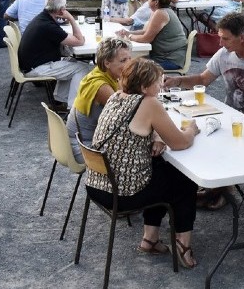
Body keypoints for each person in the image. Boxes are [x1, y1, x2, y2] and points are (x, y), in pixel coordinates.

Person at [83, 57, 201, 266]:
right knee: (185, 181)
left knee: (160, 169)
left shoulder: (116, 97)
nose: (161, 86)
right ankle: (183, 246)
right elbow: (180, 143)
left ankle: (150, 240)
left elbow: (137, 126)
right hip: (122, 195)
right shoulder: (149, 103)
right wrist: (191, 130)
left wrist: (156, 136)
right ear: (145, 87)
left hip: (96, 185)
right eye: (158, 83)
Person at [164, 12, 244, 209]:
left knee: (218, 143)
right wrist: (178, 80)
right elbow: (203, 79)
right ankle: (215, 189)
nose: (220, 43)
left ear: (242, 37)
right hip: (229, 116)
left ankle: (221, 191)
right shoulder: (224, 54)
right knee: (196, 133)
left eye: (225, 38)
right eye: (220, 37)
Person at [17, 0, 91, 108]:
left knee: (73, 61)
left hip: (31, 64)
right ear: (61, 10)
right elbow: (79, 41)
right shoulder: (48, 26)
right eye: (65, 6)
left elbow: (68, 39)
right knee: (82, 68)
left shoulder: (43, 18)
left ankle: (60, 100)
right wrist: (71, 19)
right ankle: (73, 108)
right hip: (36, 68)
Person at [67, 37, 133, 162]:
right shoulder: (101, 87)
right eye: (123, 60)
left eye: (130, 58)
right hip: (84, 147)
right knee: (140, 152)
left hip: (88, 140)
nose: (130, 64)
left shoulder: (104, 75)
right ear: (107, 63)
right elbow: (128, 117)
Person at [118, 0, 186, 70]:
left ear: (156, 1)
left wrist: (129, 37)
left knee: (130, 66)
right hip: (166, 56)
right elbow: (146, 31)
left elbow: (146, 38)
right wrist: (128, 32)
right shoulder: (160, 11)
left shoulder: (161, 13)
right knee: (129, 61)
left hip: (170, 60)